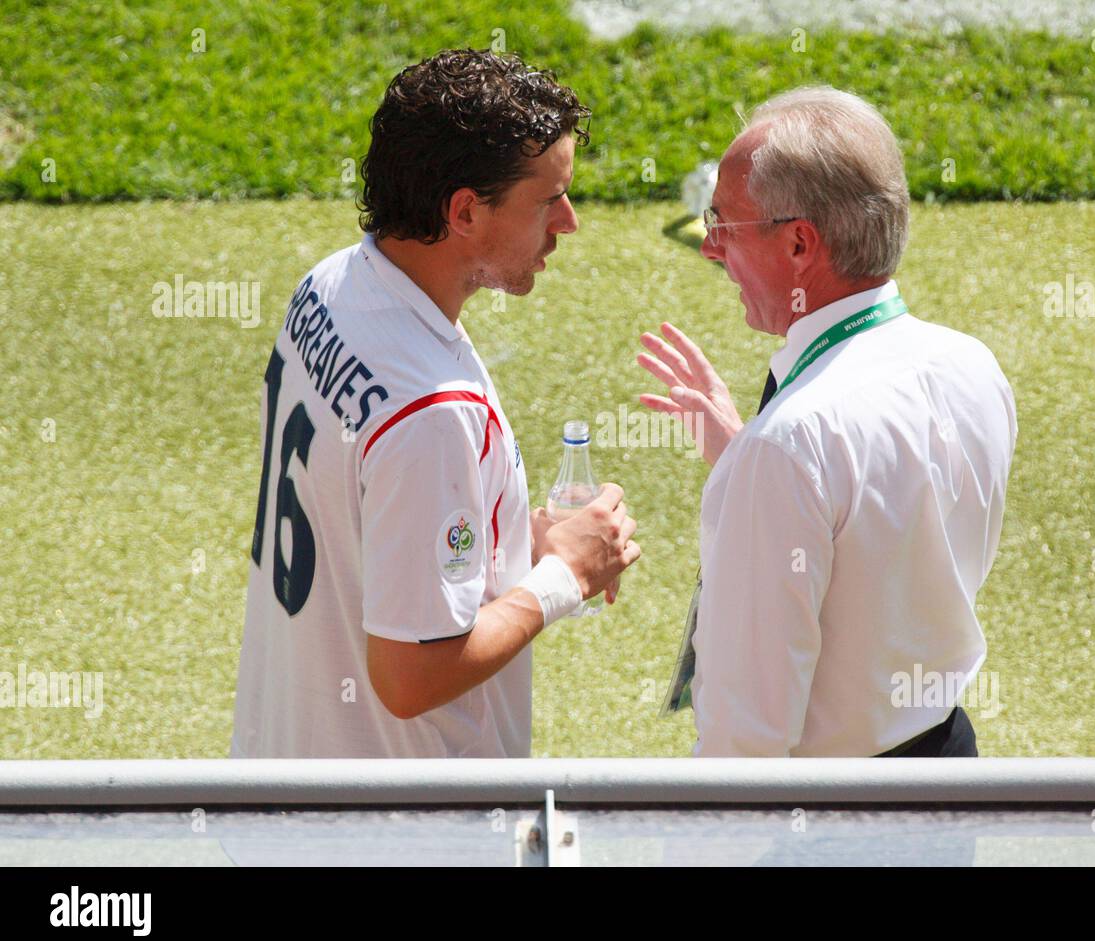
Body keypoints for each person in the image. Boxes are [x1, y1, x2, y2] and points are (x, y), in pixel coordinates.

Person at [231, 50, 639, 759]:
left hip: (284, 781)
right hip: (403, 830)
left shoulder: (329, 287)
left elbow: (375, 526)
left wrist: (508, 547)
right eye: (548, 199)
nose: (568, 222)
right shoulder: (432, 411)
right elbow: (412, 677)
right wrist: (561, 577)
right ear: (464, 212)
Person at [638, 87, 1016, 757]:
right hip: (951, 774)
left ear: (799, 245)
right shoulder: (972, 365)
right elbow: (885, 541)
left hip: (826, 822)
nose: (709, 249)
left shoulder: (791, 444)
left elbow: (746, 737)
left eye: (722, 222)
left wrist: (757, 467)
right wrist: (744, 463)